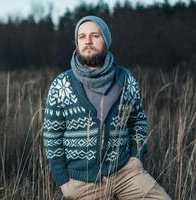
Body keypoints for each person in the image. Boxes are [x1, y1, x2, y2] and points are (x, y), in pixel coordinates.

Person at [43, 15, 171, 200]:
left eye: (95, 35)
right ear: (77, 43)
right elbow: (51, 135)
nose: (88, 41)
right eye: (82, 36)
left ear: (106, 41)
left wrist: (136, 158)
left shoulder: (125, 79)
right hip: (82, 182)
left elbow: (138, 121)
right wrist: (63, 181)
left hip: (126, 172)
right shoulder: (61, 84)